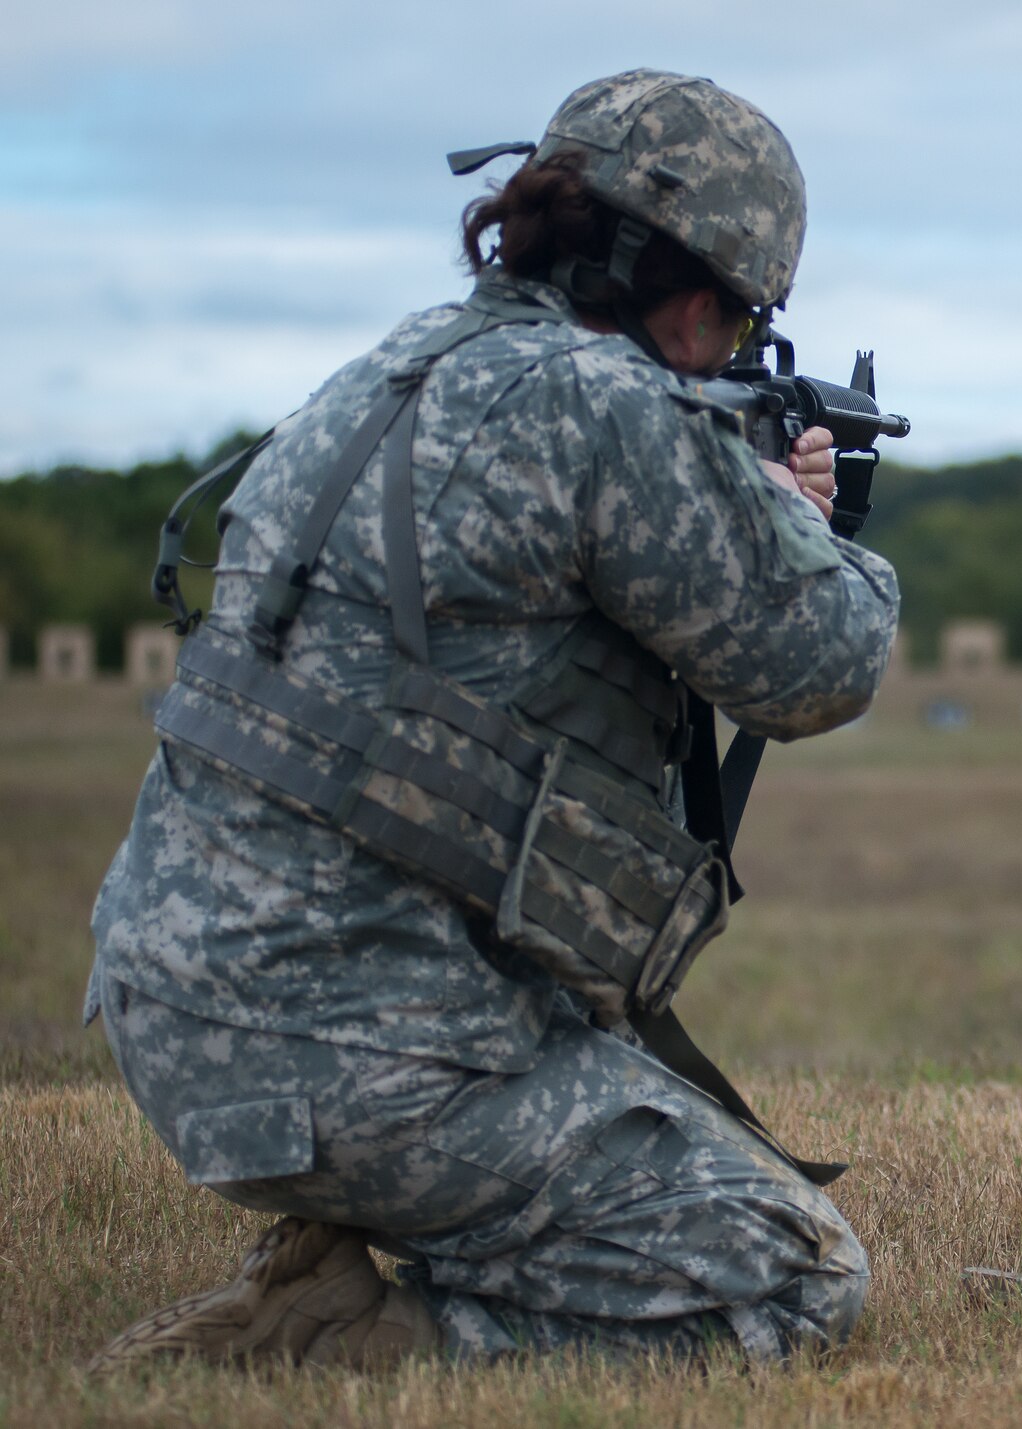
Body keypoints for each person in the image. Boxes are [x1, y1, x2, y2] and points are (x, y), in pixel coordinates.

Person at [85, 70, 898, 1369]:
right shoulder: (608, 406)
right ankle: (375, 1330)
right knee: (793, 1277)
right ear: (690, 295)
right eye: (739, 319)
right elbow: (821, 662)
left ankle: (351, 1226)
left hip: (172, 998)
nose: (734, 345)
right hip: (355, 1048)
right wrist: (795, 520)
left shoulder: (390, 370)